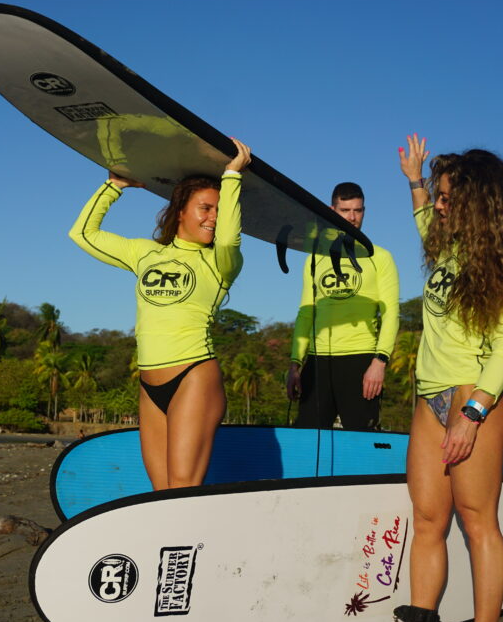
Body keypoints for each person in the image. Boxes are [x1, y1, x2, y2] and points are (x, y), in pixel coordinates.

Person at [393, 134, 503, 622]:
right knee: (428, 521)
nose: (441, 204)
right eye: (440, 195)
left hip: (473, 401)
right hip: (429, 398)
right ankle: (420, 617)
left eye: (449, 196)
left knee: (477, 524)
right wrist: (414, 181)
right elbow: (423, 219)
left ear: (475, 202)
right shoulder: (445, 250)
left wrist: (473, 415)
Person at [69, 139, 251, 490]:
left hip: (193, 375)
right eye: (205, 208)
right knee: (161, 489)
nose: (213, 217)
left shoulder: (220, 262)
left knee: (183, 485)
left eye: (218, 209)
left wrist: (231, 177)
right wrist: (113, 186)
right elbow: (83, 234)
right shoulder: (145, 254)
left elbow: (229, 239)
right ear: (180, 210)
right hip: (149, 385)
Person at [286, 182, 399, 430]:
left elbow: (390, 314)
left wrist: (379, 362)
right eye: (344, 210)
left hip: (360, 361)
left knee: (361, 443)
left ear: (364, 211)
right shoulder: (315, 258)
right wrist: (295, 363)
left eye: (357, 210)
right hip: (317, 362)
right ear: (331, 210)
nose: (352, 217)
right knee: (307, 440)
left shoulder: (380, 257)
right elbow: (306, 314)